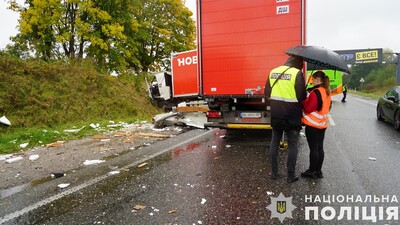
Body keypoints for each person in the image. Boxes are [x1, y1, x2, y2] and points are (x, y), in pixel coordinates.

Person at [265, 55, 307, 183]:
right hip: (292, 115)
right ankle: (290, 175)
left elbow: (267, 93)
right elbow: (301, 96)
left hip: (276, 114)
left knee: (275, 141)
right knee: (293, 145)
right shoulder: (297, 73)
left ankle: (274, 173)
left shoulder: (273, 71)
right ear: (298, 64)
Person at [301, 71, 332, 179]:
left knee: (313, 149)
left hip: (313, 125)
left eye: (313, 79)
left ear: (318, 79)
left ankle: (312, 171)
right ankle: (318, 171)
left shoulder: (316, 92)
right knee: (319, 148)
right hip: (322, 125)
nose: (312, 81)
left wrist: (303, 101)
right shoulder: (326, 91)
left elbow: (309, 108)